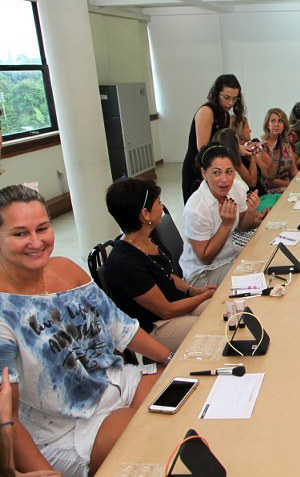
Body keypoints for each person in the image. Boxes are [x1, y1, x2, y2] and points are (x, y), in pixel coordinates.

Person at [0, 184, 171, 477]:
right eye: (20, 234)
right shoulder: (5, 311)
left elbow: (120, 327)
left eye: (42, 229)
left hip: (116, 381)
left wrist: (171, 360)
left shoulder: (66, 269)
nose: (36, 242)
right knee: (153, 434)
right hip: (70, 427)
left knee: (186, 390)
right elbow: (8, 418)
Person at [104, 178, 217, 352]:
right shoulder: (125, 262)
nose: (162, 207)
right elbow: (166, 310)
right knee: (214, 328)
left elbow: (166, 274)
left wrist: (193, 290)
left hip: (177, 307)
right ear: (145, 214)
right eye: (158, 203)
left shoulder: (148, 237)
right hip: (156, 326)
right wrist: (204, 296)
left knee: (222, 309)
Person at [180, 144, 264, 287]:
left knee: (266, 257)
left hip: (229, 257)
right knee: (258, 278)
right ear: (204, 173)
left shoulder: (236, 189)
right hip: (204, 273)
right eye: (216, 173)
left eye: (229, 172)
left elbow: (243, 227)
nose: (224, 180)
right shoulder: (196, 209)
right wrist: (226, 225)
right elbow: (205, 258)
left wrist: (251, 211)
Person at [181, 74, 245, 203]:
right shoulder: (206, 111)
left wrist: (241, 149)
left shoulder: (225, 115)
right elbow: (203, 148)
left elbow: (223, 143)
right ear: (216, 94)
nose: (230, 103)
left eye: (234, 99)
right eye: (226, 98)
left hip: (213, 168)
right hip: (197, 168)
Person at [214, 126, 270, 196]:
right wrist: (252, 155)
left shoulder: (240, 154)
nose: (250, 130)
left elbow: (268, 173)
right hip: (255, 197)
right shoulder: (233, 160)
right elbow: (252, 183)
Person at [261, 107, 298, 192]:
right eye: (273, 121)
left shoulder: (285, 143)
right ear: (267, 125)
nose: (276, 124)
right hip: (273, 189)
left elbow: (293, 170)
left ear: (284, 125)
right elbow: (270, 181)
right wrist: (292, 185)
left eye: (280, 121)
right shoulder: (263, 147)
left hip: (289, 184)